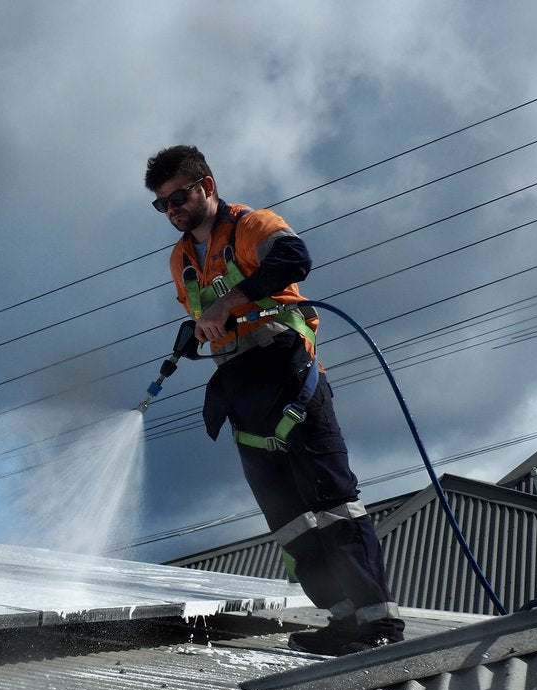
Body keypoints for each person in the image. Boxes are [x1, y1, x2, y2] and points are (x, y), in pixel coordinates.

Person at [143, 145, 403, 655]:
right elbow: (214, 321)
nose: (172, 209)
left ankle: (378, 625)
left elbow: (293, 258)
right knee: (289, 518)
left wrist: (227, 303)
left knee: (332, 504)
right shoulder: (181, 260)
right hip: (240, 389)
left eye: (179, 196)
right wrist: (198, 331)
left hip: (289, 377)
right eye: (161, 204)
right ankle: (343, 619)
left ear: (207, 186)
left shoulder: (251, 226)